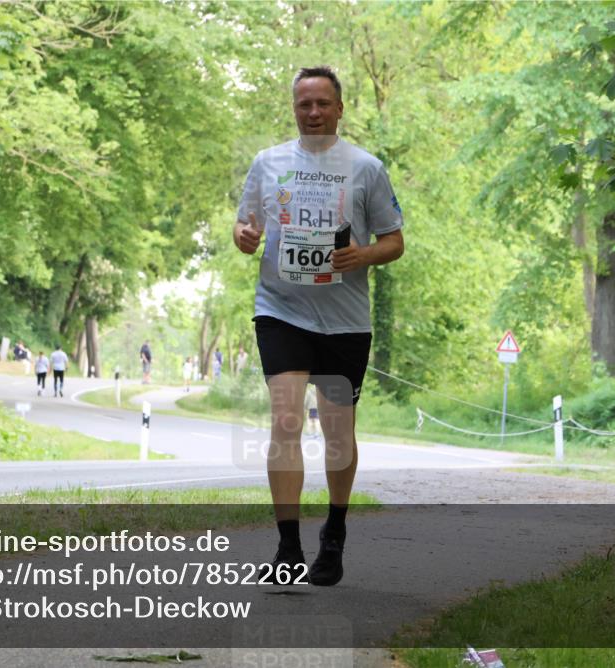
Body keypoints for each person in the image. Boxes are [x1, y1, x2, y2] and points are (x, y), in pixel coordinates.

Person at [233, 66, 404, 586]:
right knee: (285, 421)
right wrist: (243, 235)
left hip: (345, 322)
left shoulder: (366, 168)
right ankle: (287, 549)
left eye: (322, 103)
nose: (313, 112)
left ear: (339, 108)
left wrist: (363, 255)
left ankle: (333, 537)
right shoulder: (268, 163)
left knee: (337, 434)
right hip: (281, 310)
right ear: (293, 108)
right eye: (304, 104)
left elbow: (394, 241)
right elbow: (246, 226)